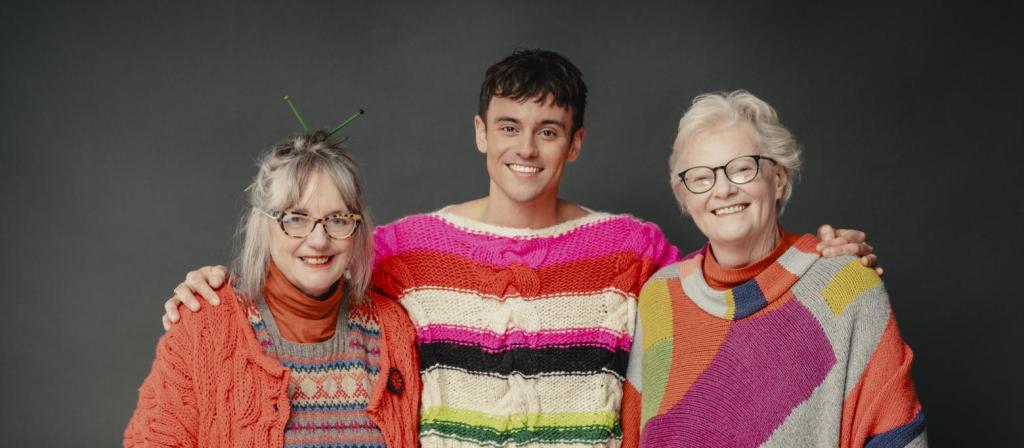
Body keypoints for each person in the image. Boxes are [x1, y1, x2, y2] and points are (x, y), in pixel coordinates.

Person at [161, 50, 879, 447]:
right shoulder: (409, 248)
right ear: (480, 133)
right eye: (508, 127)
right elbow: (308, 277)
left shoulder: (630, 247)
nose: (525, 148)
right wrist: (223, 285)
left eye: (547, 129)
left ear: (575, 142)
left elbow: (727, 284)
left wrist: (809, 255)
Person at [622, 90, 925, 447]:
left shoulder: (844, 286)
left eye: (741, 169)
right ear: (684, 196)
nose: (723, 190)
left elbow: (893, 434)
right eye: (701, 178)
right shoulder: (661, 298)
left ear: (778, 178)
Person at [125, 132, 421, 447]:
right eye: (295, 218)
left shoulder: (395, 330)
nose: (319, 240)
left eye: (337, 219)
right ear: (263, 224)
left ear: (357, 228)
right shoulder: (204, 324)